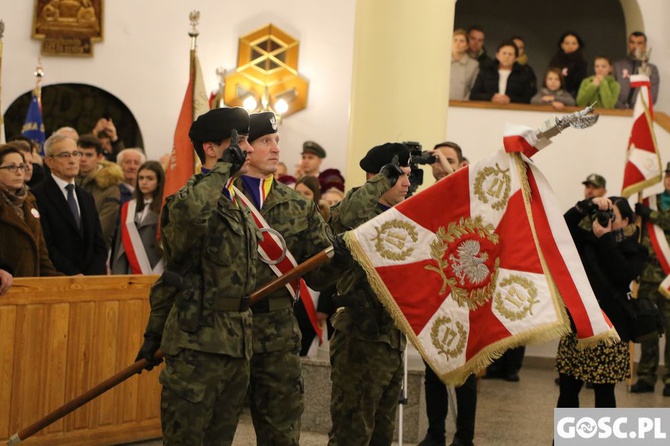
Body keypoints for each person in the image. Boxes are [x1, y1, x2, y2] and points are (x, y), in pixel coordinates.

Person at [135, 107, 259, 445]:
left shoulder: (238, 203)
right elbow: (189, 226)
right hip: (197, 348)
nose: (248, 149)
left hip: (236, 344)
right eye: (242, 141)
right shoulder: (185, 200)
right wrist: (154, 333)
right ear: (211, 148)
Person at [234, 112, 340, 444]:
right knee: (212, 428)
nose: (276, 148)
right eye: (266, 141)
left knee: (281, 430)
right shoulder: (216, 198)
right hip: (223, 330)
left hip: (278, 331)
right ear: (243, 148)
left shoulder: (297, 205)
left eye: (277, 140)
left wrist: (346, 251)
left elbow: (322, 275)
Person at [328, 142, 411, 445]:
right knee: (352, 430)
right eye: (398, 175)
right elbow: (341, 220)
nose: (406, 182)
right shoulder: (355, 211)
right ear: (376, 176)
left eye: (408, 174)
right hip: (359, 338)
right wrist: (377, 183)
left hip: (391, 337)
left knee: (381, 432)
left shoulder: (404, 217)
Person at [557, 196, 647, 407]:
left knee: (604, 396)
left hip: (610, 331)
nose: (606, 218)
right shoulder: (587, 239)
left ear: (625, 221)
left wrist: (606, 239)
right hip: (578, 327)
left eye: (612, 215)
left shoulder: (635, 250)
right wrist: (584, 207)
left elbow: (623, 274)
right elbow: (561, 229)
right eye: (603, 214)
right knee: (567, 393)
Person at [418, 141, 477, 446]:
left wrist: (451, 171)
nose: (439, 165)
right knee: (433, 370)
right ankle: (435, 432)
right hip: (435, 292)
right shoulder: (427, 197)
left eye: (448, 160)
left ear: (462, 164)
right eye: (436, 160)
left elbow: (467, 210)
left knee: (464, 372)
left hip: (466, 294)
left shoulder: (469, 193)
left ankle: (464, 436)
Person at [31, 134, 107, 276]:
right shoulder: (37, 195)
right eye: (64, 155)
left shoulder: (86, 197)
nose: (72, 160)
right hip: (57, 280)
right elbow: (46, 245)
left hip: (90, 281)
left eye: (75, 154)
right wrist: (73, 275)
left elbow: (99, 244)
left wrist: (91, 276)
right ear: (49, 161)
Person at [630, 162, 670, 397]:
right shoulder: (649, 201)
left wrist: (651, 216)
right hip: (648, 275)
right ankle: (645, 375)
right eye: (667, 176)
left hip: (668, 277)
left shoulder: (651, 210)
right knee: (647, 328)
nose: (669, 180)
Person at [0, 143, 61, 277]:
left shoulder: (29, 202)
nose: (19, 171)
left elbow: (41, 255)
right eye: (11, 167)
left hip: (30, 289)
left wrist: (62, 280)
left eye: (21, 166)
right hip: (6, 288)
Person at [111, 161, 165, 275]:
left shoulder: (165, 207)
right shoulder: (129, 207)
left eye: (150, 178)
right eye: (141, 178)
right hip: (132, 268)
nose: (144, 182)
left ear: (159, 182)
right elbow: (120, 244)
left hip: (157, 266)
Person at [76, 133, 124, 249]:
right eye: (79, 154)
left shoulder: (110, 188)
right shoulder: (67, 180)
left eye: (89, 155)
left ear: (99, 158)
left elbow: (102, 230)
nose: (83, 159)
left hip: (94, 252)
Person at [469, 41, 535, 104]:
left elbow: (527, 99)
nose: (507, 57)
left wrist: (510, 99)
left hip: (513, 112)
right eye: (504, 53)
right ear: (497, 55)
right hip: (488, 111)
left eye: (510, 54)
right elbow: (474, 95)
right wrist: (491, 97)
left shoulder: (523, 74)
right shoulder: (486, 71)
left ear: (515, 58)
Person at [613, 31, 660, 109]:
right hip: (618, 113)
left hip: (640, 113)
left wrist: (637, 109)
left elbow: (652, 97)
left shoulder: (652, 69)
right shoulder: (617, 66)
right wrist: (623, 109)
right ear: (628, 44)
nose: (635, 46)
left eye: (639, 43)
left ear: (645, 46)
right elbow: (611, 93)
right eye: (632, 42)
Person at [548, 32, 588, 98]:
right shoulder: (555, 61)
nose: (570, 46)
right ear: (562, 45)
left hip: (576, 97)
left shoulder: (582, 63)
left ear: (578, 45)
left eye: (574, 43)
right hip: (555, 96)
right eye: (567, 43)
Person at [450, 29, 479, 101]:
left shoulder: (473, 65)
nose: (458, 43)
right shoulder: (441, 62)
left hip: (463, 105)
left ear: (467, 46)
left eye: (462, 41)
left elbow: (474, 88)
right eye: (455, 40)